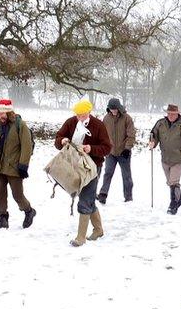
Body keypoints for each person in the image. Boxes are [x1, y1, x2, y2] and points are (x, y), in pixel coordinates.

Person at [55, 99, 112, 246]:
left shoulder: (98, 125)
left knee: (85, 199)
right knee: (89, 197)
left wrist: (91, 149)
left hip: (93, 167)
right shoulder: (70, 123)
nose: (79, 117)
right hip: (73, 166)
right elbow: (58, 139)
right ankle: (98, 230)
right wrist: (62, 141)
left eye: (83, 115)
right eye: (77, 115)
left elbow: (107, 148)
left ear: (89, 112)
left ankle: (80, 237)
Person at [0, 98, 36, 229]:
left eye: (2, 113)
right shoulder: (0, 126)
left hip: (15, 168)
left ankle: (29, 211)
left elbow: (27, 147)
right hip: (1, 167)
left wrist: (23, 166)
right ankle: (3, 219)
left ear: (9, 112)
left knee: (18, 195)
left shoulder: (21, 125)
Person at [148, 104, 181, 215]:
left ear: (178, 113)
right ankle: (180, 198)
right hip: (165, 159)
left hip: (179, 159)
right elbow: (153, 134)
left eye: (173, 114)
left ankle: (173, 204)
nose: (170, 115)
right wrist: (152, 142)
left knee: (173, 181)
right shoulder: (160, 123)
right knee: (170, 182)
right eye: (169, 113)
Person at [98, 97, 136, 203]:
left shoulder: (127, 118)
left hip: (124, 152)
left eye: (115, 109)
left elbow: (131, 134)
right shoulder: (106, 119)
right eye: (111, 109)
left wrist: (127, 149)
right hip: (111, 152)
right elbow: (103, 135)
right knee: (108, 173)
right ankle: (103, 194)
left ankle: (128, 197)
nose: (113, 111)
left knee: (126, 175)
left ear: (119, 108)